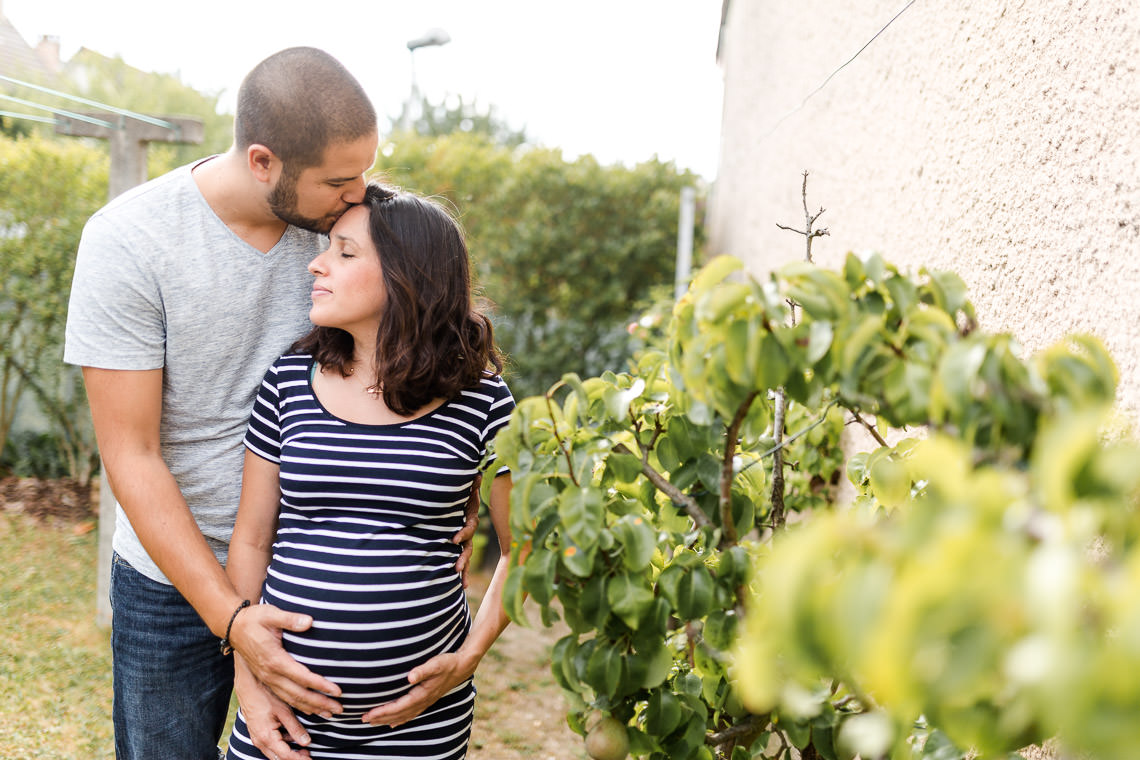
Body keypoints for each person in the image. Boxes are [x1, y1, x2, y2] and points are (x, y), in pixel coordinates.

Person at [63, 48, 477, 760]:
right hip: (171, 585)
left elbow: (423, 346)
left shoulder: (345, 237)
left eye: (366, 171)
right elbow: (130, 456)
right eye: (340, 180)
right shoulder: (128, 242)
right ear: (263, 161)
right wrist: (234, 622)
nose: (360, 195)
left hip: (305, 579)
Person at [223, 182, 517, 760]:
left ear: (408, 275)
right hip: (285, 715)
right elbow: (252, 537)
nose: (318, 263)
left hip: (419, 726)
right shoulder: (288, 381)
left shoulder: (483, 400)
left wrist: (470, 657)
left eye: (345, 252)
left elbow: (522, 550)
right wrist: (250, 672)